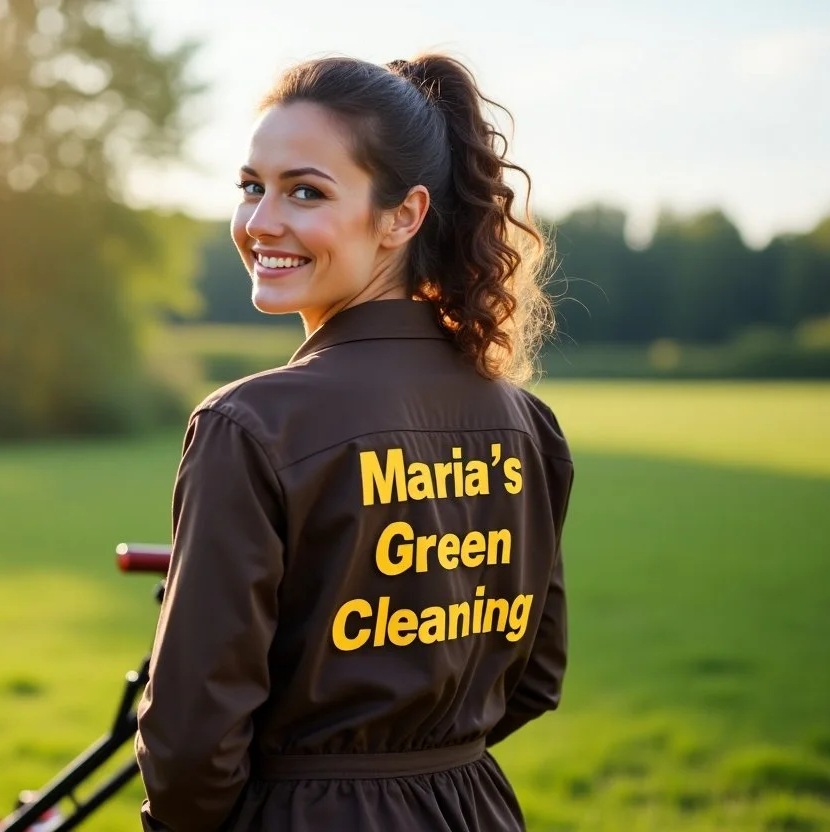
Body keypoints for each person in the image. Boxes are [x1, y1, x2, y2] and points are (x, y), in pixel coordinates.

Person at [134, 53, 574, 831]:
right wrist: (414, 765)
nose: (260, 221)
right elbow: (534, 679)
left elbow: (191, 742)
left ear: (402, 216)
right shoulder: (524, 421)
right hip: (473, 808)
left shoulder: (249, 424)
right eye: (251, 186)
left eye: (306, 191)